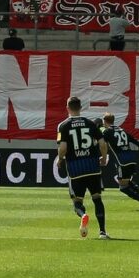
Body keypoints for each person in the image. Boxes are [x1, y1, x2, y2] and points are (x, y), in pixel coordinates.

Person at [56, 97, 110, 239]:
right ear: (80, 108)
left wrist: (60, 159)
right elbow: (102, 143)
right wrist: (104, 158)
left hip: (75, 169)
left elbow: (62, 148)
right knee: (97, 198)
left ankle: (83, 215)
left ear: (67, 108)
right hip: (92, 166)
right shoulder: (91, 123)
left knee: (77, 202)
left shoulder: (63, 126)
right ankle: (103, 232)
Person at [101, 113, 139, 210]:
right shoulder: (122, 130)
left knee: (123, 187)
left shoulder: (107, 132)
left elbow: (102, 145)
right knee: (127, 181)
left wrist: (103, 157)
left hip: (122, 161)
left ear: (105, 121)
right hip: (131, 159)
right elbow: (136, 142)